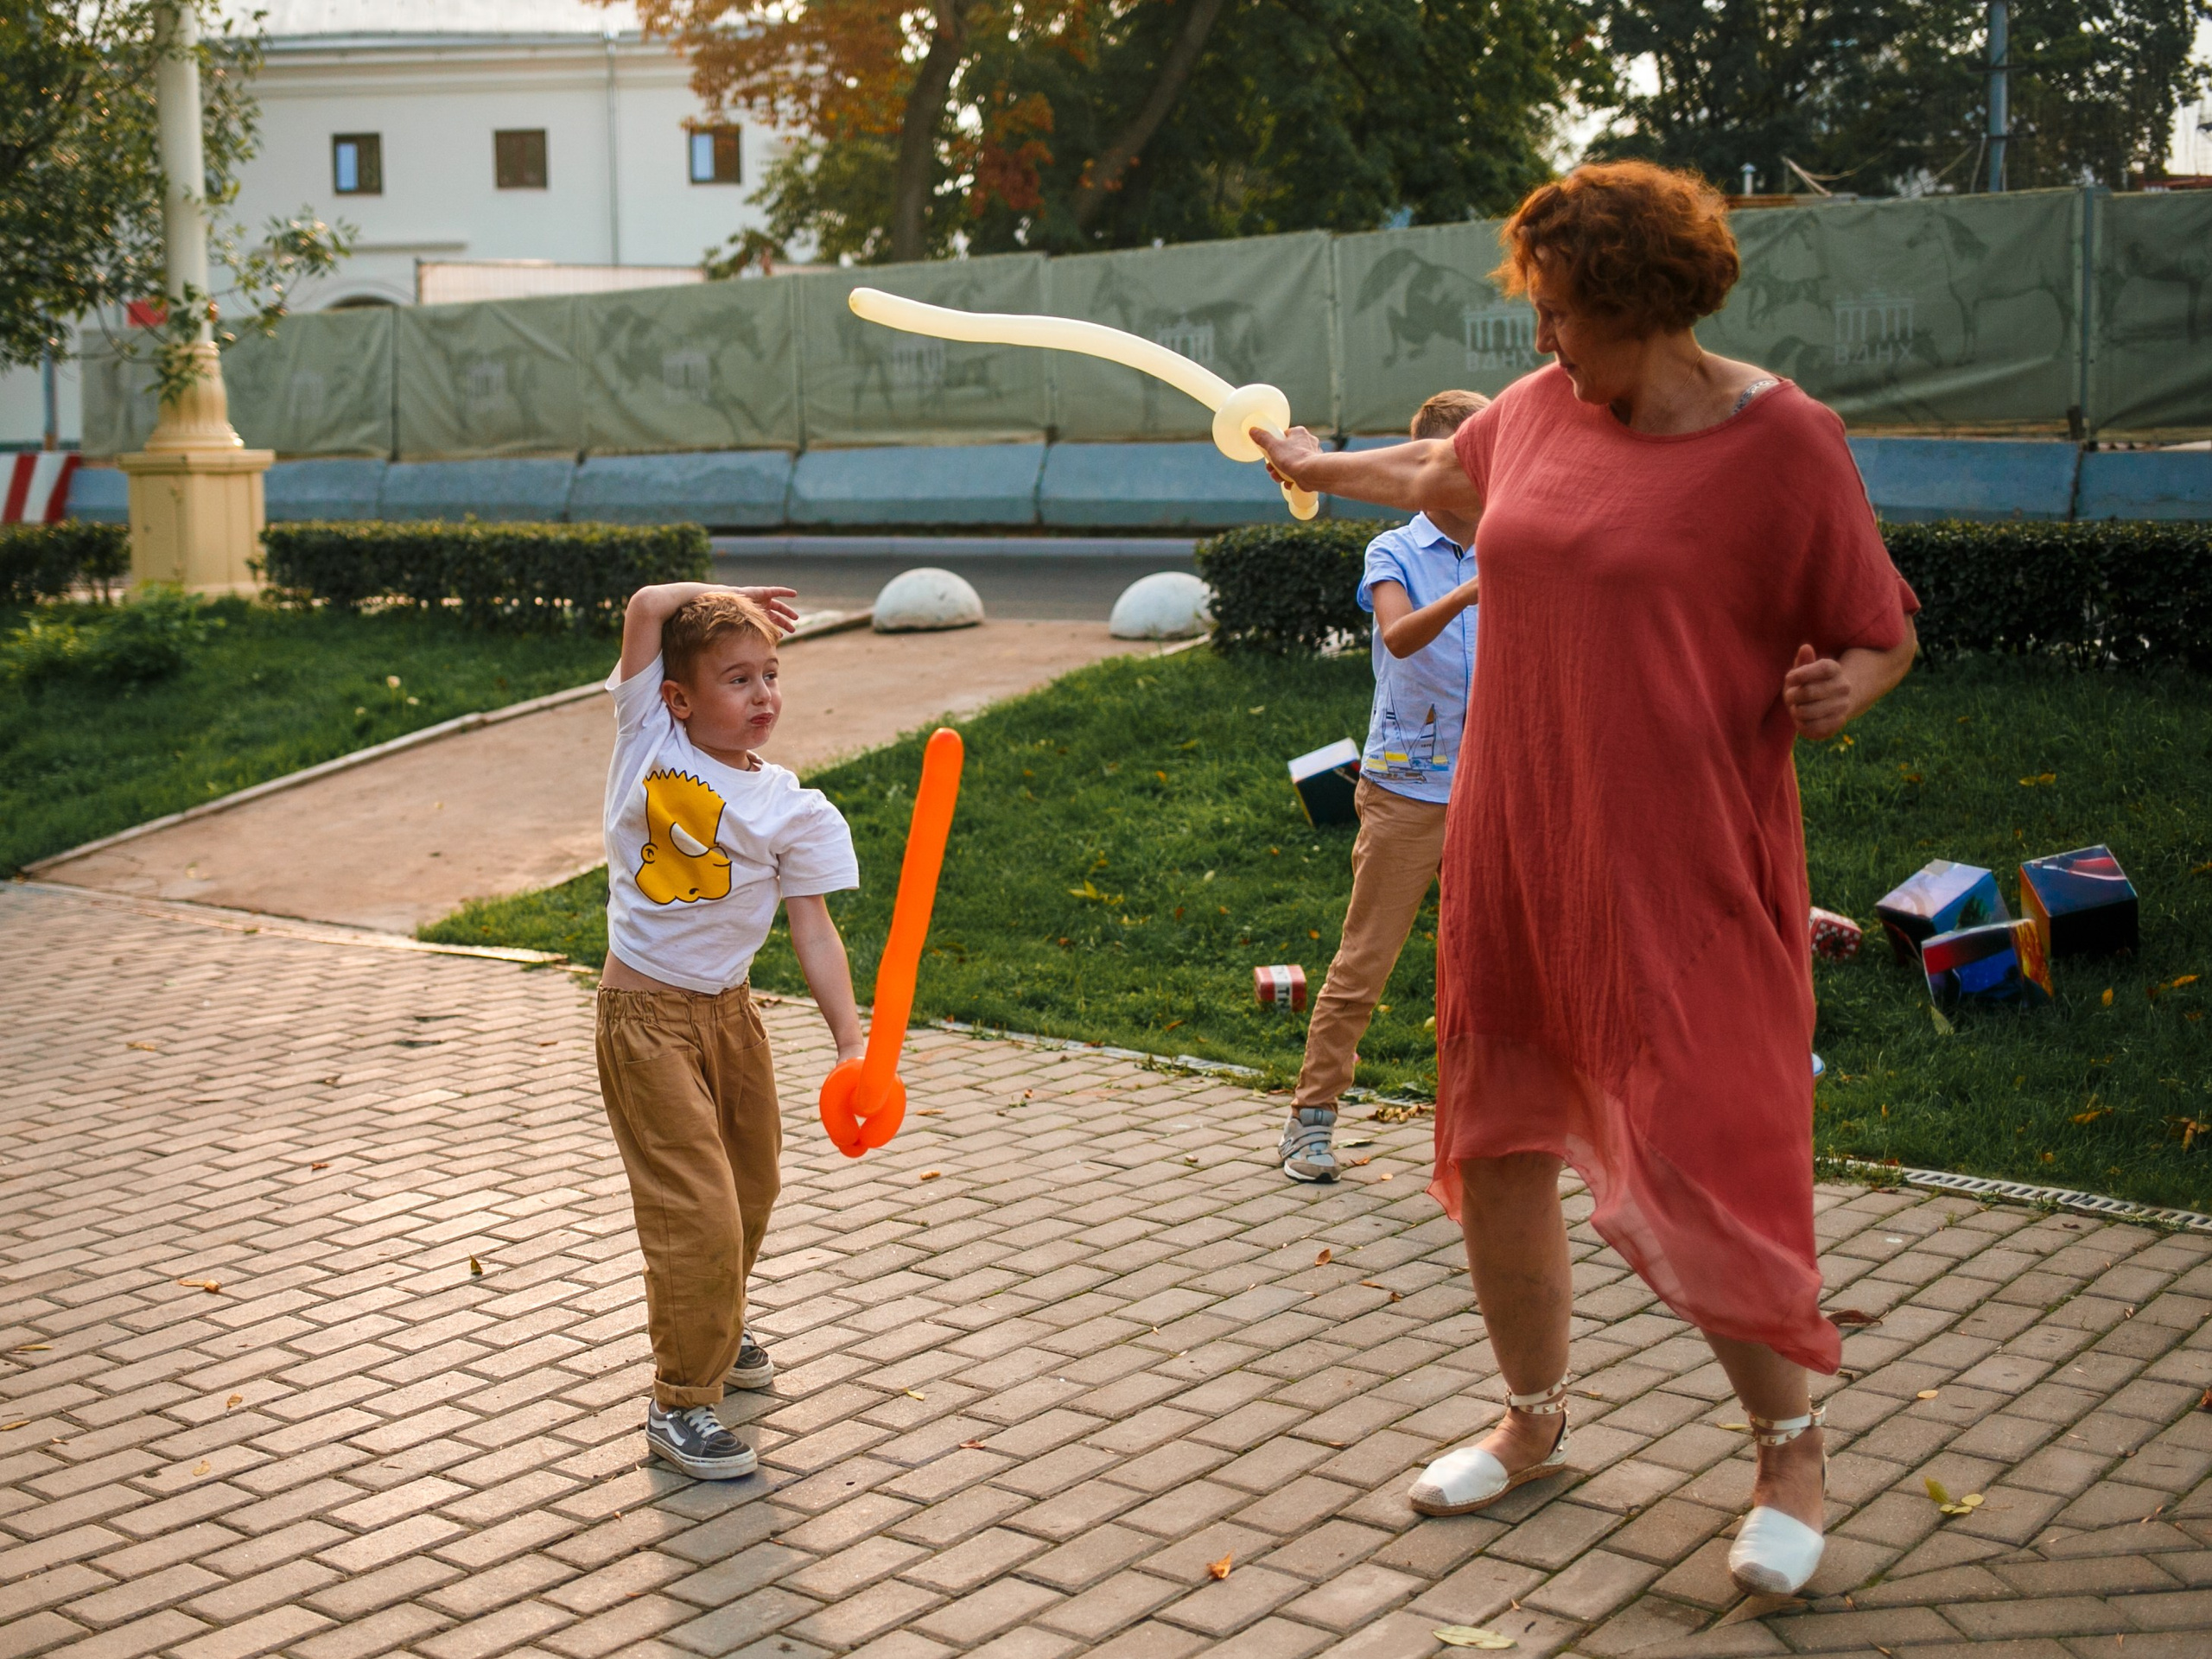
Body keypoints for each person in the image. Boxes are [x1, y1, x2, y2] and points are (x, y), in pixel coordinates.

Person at [1251, 161, 1918, 1597]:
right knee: (1496, 1145)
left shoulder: (1782, 442)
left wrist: (1848, 688)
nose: (1543, 344)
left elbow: (1881, 624)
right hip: (1516, 835)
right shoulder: (1548, 411)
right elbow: (1448, 473)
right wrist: (1317, 467)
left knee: (1707, 1148)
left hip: (1681, 858)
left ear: (1648, 307)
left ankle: (1786, 1449)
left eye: (1565, 317)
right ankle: (1533, 1424)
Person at [598, 582, 867, 1478]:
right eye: (737, 680)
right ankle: (681, 1403)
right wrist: (719, 596)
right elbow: (644, 607)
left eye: (770, 676)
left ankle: (717, 1320)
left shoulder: (795, 807)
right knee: (696, 1214)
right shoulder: (649, 740)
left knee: (750, 1191)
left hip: (733, 1017)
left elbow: (814, 930)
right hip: (644, 1021)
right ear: (678, 697)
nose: (762, 697)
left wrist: (849, 1040)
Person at [1281, 389, 1487, 1183]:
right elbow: (1400, 638)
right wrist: (1477, 587)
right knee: (1364, 962)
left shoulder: (1515, 535)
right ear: (1429, 468)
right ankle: (1311, 1119)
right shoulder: (1394, 552)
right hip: (1407, 791)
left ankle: (1485, 1131)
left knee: (1488, 971)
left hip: (1493, 788)